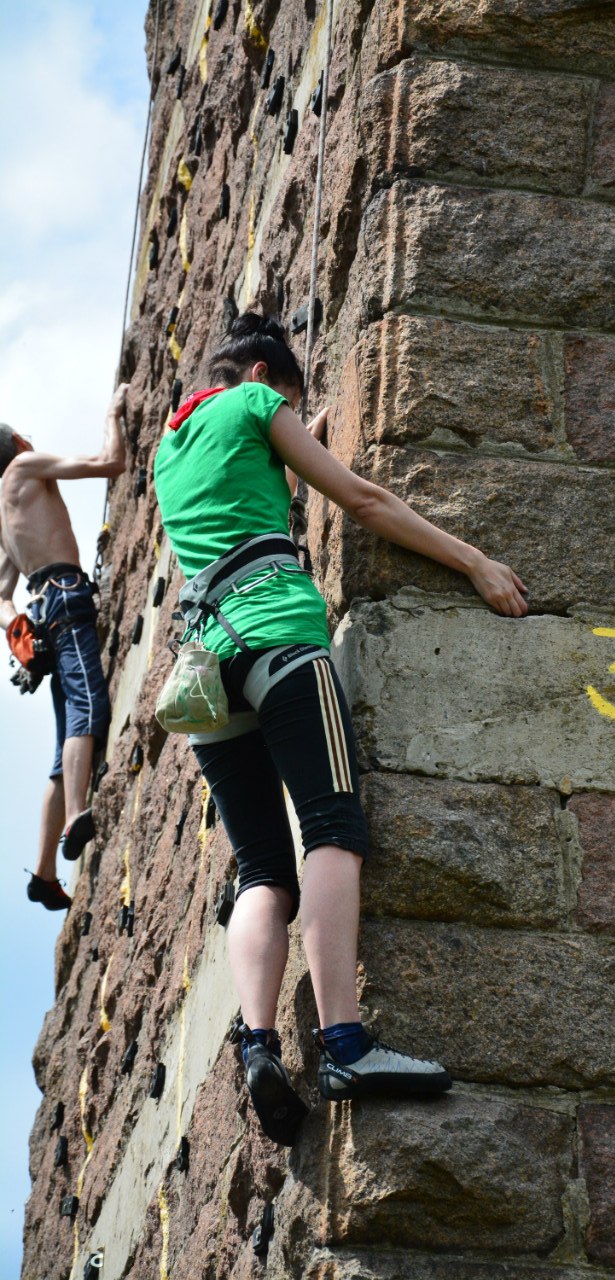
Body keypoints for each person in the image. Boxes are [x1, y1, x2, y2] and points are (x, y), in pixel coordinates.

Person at [153, 313, 528, 1144]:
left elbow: (244, 494)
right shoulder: (255, 405)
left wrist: (290, 435)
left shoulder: (169, 450)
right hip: (278, 635)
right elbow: (359, 496)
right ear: (259, 375)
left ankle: (257, 1042)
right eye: (292, 402)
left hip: (208, 672)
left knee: (259, 868)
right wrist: (472, 560)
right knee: (331, 826)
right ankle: (346, 1045)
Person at [0, 389, 127, 910]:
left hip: (44, 608)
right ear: (20, 442)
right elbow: (110, 462)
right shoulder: (27, 466)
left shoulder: (3, 512)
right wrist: (113, 414)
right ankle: (77, 815)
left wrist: (20, 634)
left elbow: (0, 594)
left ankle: (45, 874)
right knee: (89, 706)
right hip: (67, 596)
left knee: (60, 753)